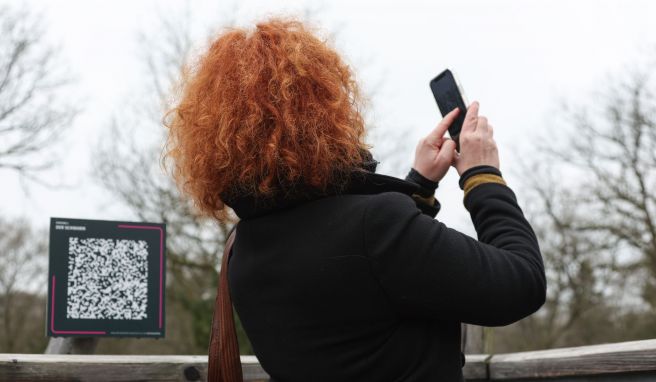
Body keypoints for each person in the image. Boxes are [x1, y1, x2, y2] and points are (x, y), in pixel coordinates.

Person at [165, 17, 546, 382]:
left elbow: (368, 278)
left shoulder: (242, 249)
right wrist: (483, 177)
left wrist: (418, 186)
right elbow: (521, 283)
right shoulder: (374, 228)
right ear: (324, 112)